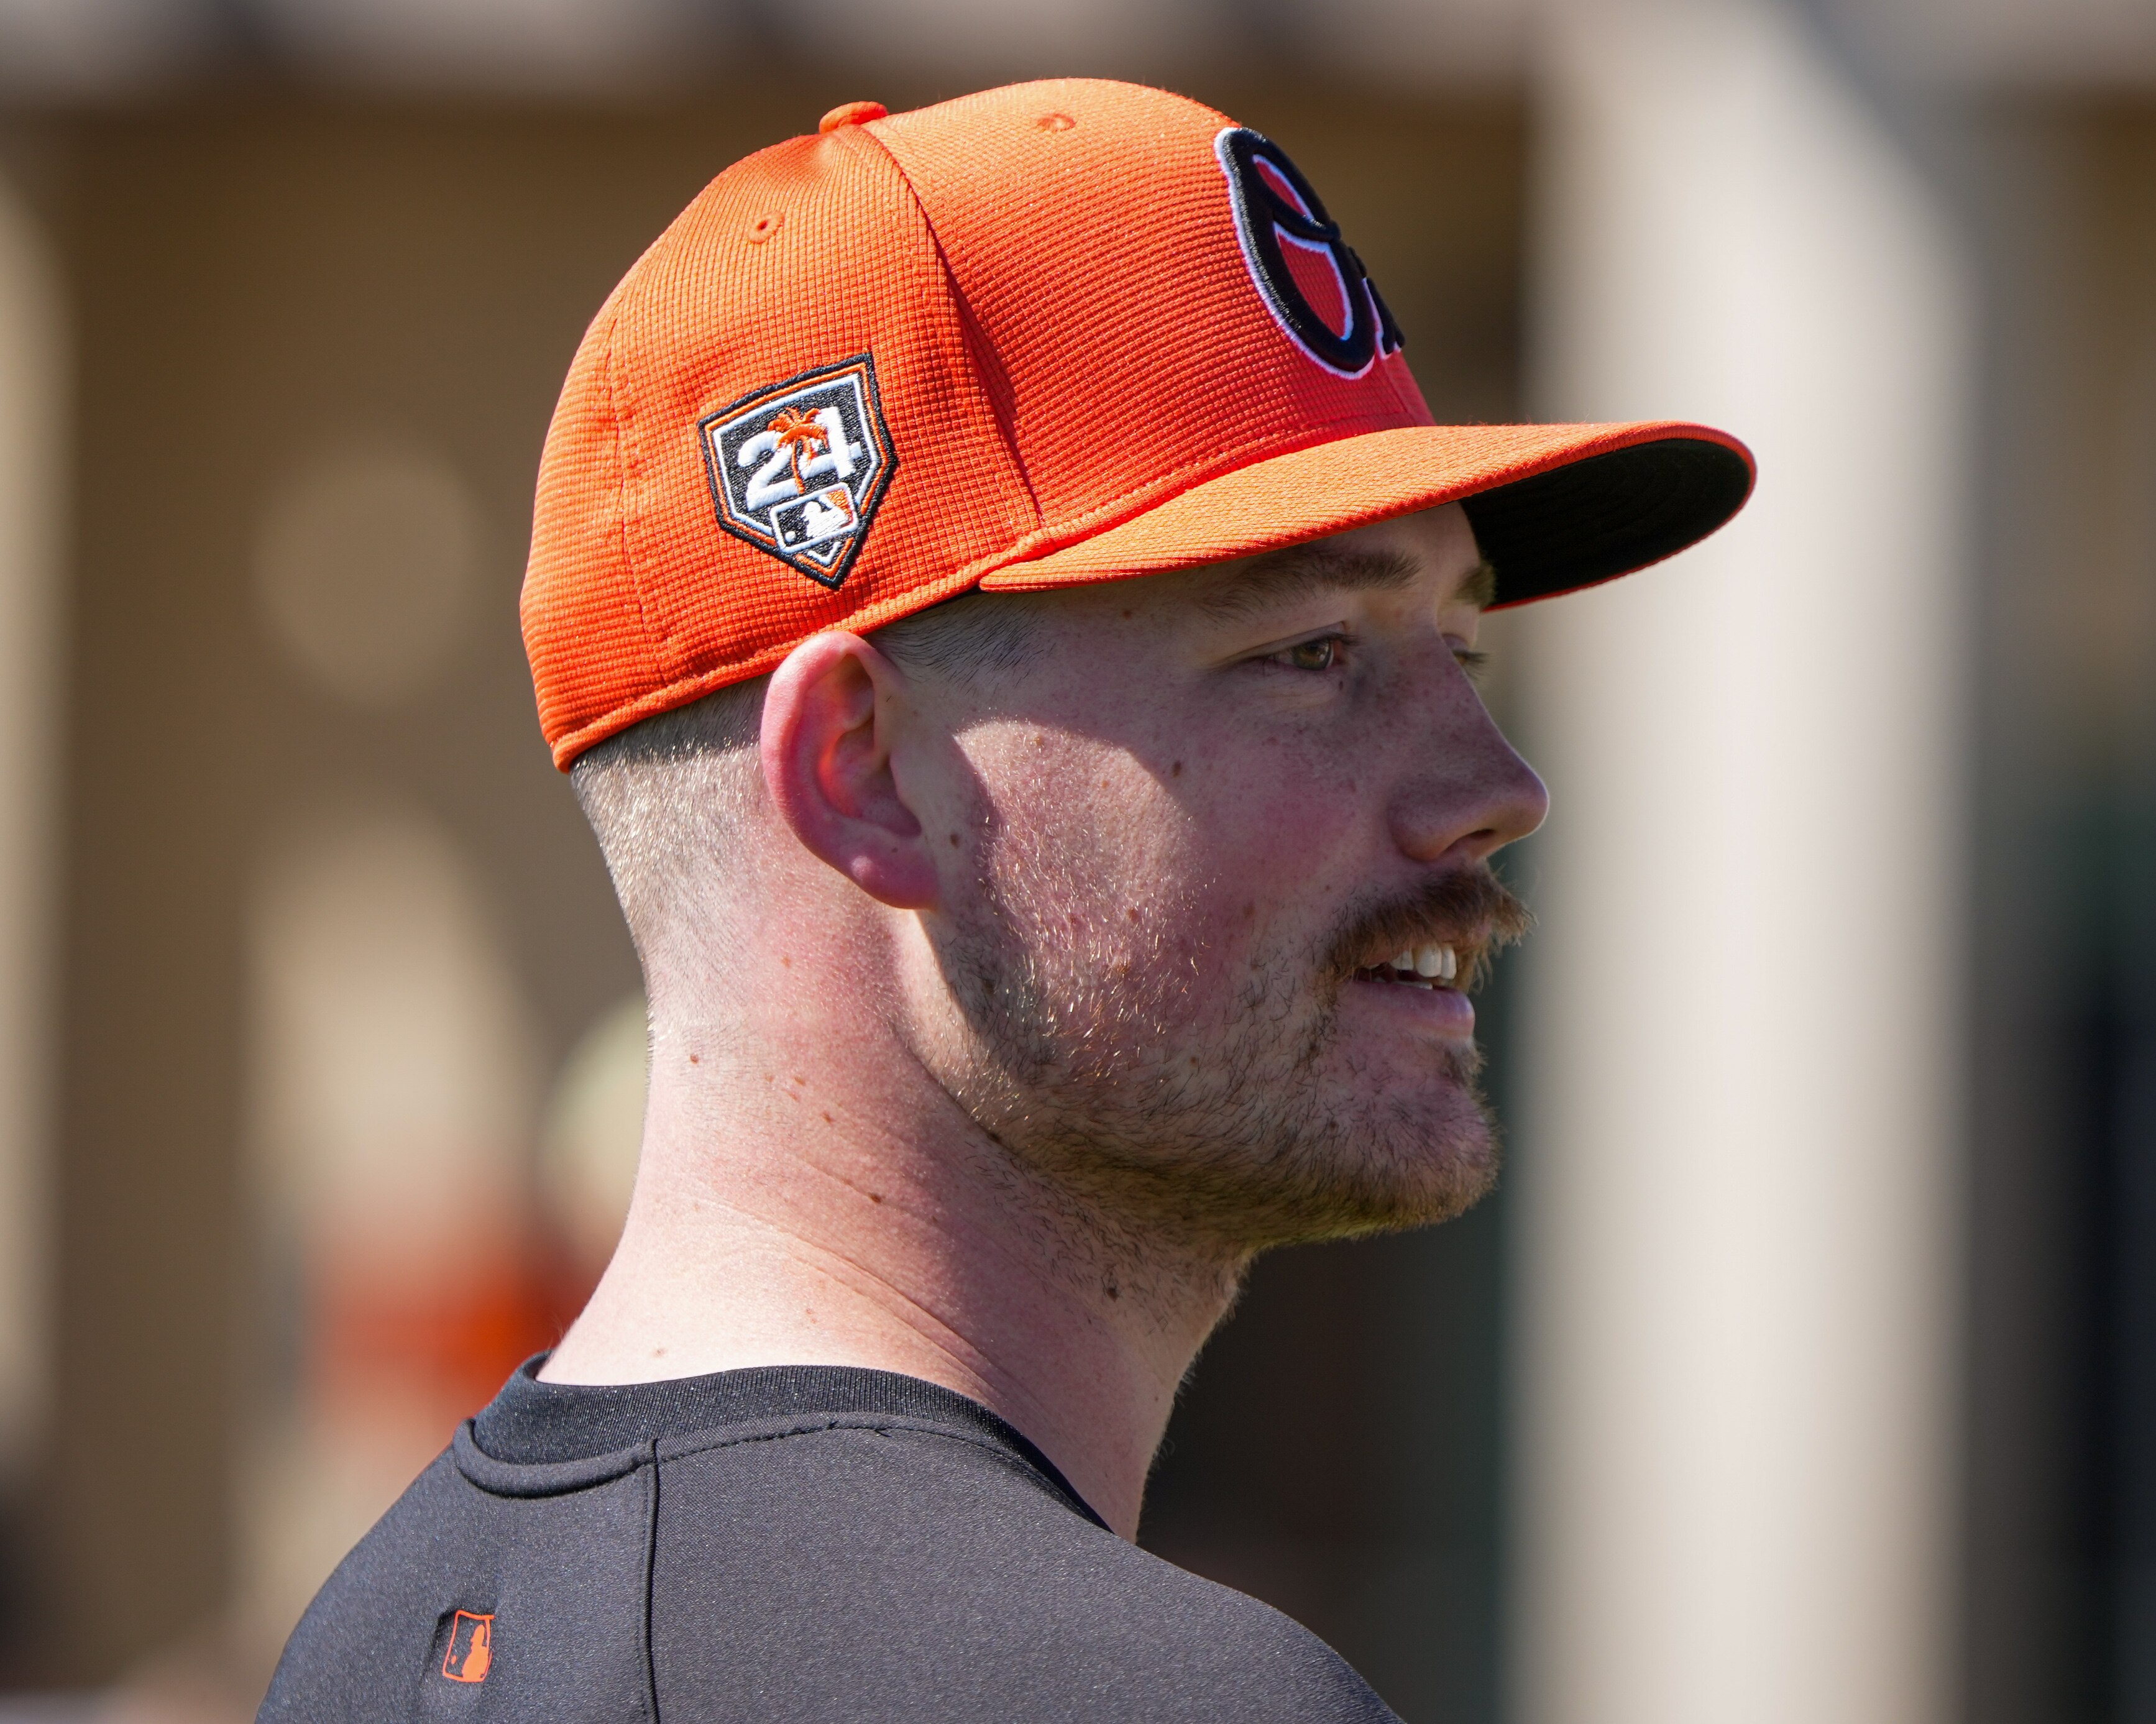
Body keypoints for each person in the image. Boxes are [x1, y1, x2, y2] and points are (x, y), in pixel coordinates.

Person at [257, 76, 1751, 1722]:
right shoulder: (1131, 1698)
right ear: (864, 772)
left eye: (1457, 647)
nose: (1496, 780)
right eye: (1310, 654)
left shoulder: (384, 1636)